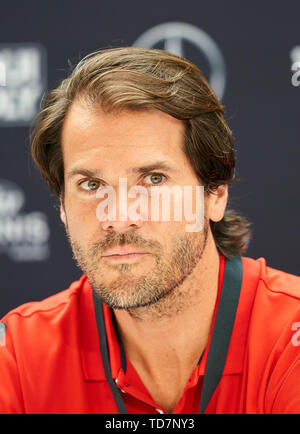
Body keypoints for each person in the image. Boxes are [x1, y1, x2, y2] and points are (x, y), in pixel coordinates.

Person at [0, 47, 300, 414]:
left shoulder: (289, 334)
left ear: (215, 194)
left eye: (153, 179)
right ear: (61, 205)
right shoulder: (19, 355)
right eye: (91, 185)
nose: (119, 216)